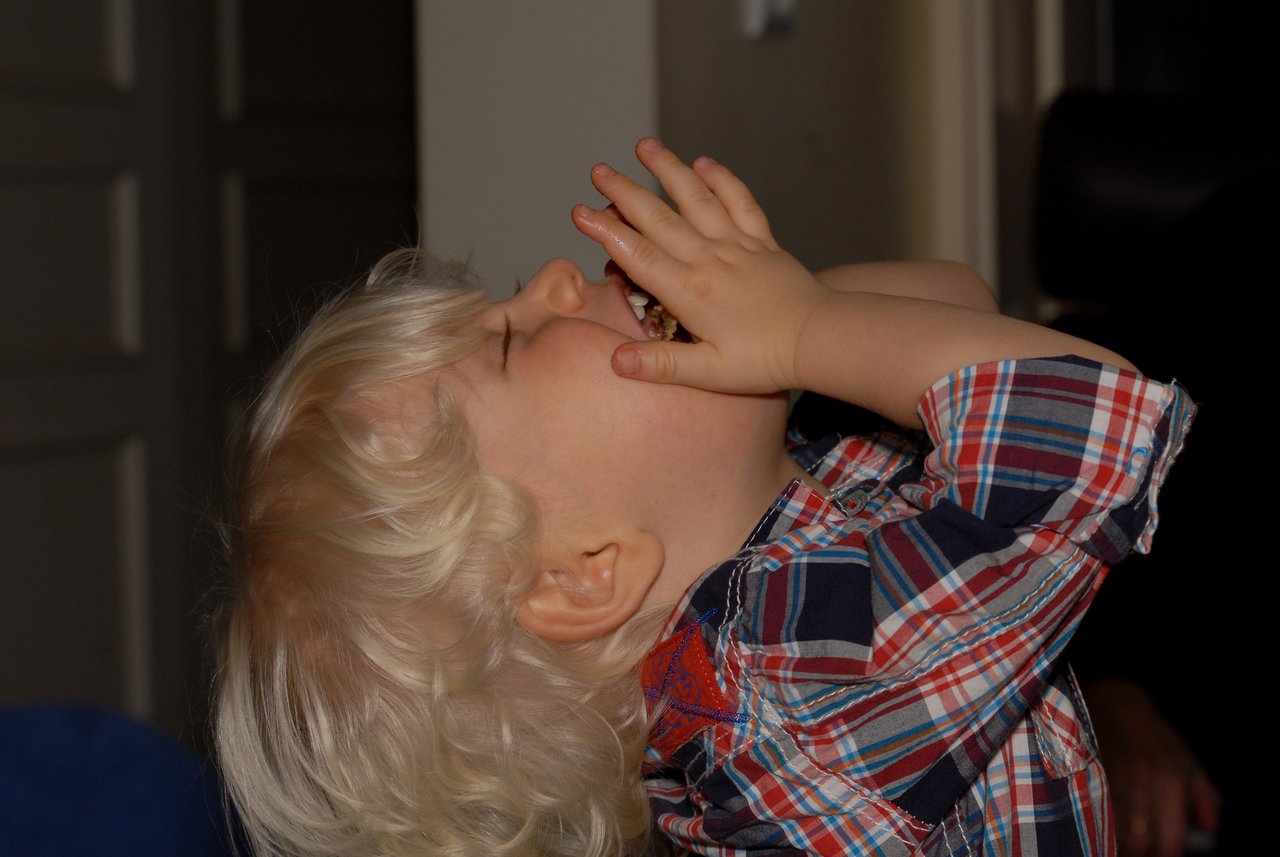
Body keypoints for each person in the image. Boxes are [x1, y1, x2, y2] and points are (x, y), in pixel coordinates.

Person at [214, 139, 1193, 856]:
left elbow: (960, 305)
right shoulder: (783, 689)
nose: (555, 279)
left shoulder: (783, 509)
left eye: (506, 294)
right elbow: (1082, 422)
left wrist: (773, 316)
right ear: (589, 570)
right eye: (512, 339)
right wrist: (803, 327)